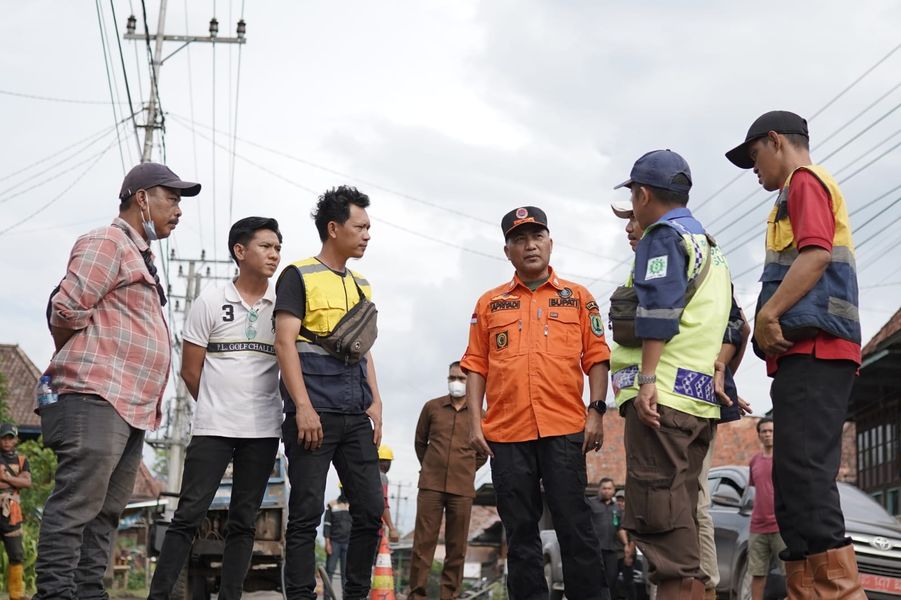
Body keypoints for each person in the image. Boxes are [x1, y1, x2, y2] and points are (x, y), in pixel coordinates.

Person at [38, 163, 200, 600]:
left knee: (106, 512)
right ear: (142, 197)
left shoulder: (140, 254)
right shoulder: (106, 241)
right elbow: (66, 310)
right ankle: (53, 594)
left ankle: (88, 592)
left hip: (131, 405)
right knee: (77, 505)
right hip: (95, 393)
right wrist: (79, 359)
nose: (179, 210)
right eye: (173, 198)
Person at [726, 111, 865, 598]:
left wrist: (769, 316)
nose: (754, 169)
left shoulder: (805, 181)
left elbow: (816, 253)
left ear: (775, 141)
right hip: (801, 356)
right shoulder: (793, 192)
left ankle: (839, 592)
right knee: (792, 492)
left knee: (806, 481)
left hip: (818, 350)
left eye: (754, 157)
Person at [462, 206, 612, 600]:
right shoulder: (489, 304)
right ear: (507, 250)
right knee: (520, 532)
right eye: (519, 240)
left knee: (574, 525)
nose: (529, 246)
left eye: (536, 237)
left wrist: (596, 412)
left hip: (564, 430)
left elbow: (597, 357)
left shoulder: (578, 298)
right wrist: (475, 422)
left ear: (550, 243)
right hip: (507, 434)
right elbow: (475, 365)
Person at [609, 150, 733, 600]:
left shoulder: (663, 237)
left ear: (642, 194)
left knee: (664, 537)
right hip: (697, 405)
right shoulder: (711, 249)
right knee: (684, 530)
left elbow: (657, 314)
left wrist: (645, 381)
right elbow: (733, 324)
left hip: (663, 404)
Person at [148, 217, 284, 599]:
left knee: (244, 522)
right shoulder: (209, 301)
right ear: (240, 251)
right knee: (188, 516)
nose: (274, 254)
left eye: (277, 247)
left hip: (263, 432)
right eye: (265, 246)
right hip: (213, 428)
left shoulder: (283, 307)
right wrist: (216, 406)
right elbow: (191, 371)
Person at [274, 185, 385, 600]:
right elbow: (285, 343)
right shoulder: (298, 275)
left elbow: (365, 348)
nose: (368, 234)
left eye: (369, 227)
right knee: (305, 513)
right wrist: (301, 407)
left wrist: (376, 400)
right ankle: (302, 595)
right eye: (361, 226)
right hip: (313, 413)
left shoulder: (362, 285)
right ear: (334, 228)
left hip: (355, 413)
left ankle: (355, 594)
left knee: (371, 511)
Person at [409, 361, 487, 600]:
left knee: (457, 547)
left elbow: (483, 452)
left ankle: (449, 595)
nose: (456, 382)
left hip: (462, 488)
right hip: (430, 485)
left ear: (470, 382)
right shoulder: (431, 408)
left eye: (462, 379)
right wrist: (432, 464)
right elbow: (420, 442)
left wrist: (464, 468)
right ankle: (417, 595)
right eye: (452, 377)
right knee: (423, 545)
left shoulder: (481, 415)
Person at [747, 418, 785, 600]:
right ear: (759, 435)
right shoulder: (754, 461)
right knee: (757, 573)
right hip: (757, 527)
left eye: (771, 431)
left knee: (791, 572)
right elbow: (755, 490)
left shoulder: (784, 460)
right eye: (764, 431)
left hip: (781, 525)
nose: (768, 434)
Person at [0, 424, 30, 600]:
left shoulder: (22, 460)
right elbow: (21, 482)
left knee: (16, 553)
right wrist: (15, 481)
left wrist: (5, 478)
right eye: (4, 437)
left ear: (16, 439)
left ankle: (16, 594)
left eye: (10, 438)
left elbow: (27, 483)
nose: (7, 441)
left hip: (12, 512)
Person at [589, 478, 622, 594]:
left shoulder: (616, 507)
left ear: (613, 490)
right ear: (599, 489)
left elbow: (619, 527)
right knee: (595, 579)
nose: (606, 491)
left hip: (612, 549)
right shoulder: (591, 504)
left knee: (612, 578)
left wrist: (626, 545)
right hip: (595, 549)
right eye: (604, 488)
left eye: (609, 488)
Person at [323, 486, 352, 591]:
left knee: (346, 574)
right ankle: (327, 598)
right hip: (334, 543)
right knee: (329, 571)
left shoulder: (354, 505)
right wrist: (327, 543)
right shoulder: (332, 504)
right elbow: (327, 524)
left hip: (348, 544)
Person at [615, 490, 637, 600]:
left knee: (629, 582)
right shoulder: (614, 514)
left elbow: (634, 539)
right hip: (615, 554)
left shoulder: (631, 517)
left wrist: (628, 555)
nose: (620, 503)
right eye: (618, 501)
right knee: (611, 582)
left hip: (626, 554)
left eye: (623, 501)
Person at [377, 445, 401, 544]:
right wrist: (391, 528)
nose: (386, 464)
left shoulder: (367, 474)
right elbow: (383, 502)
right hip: (373, 526)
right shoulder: (382, 477)